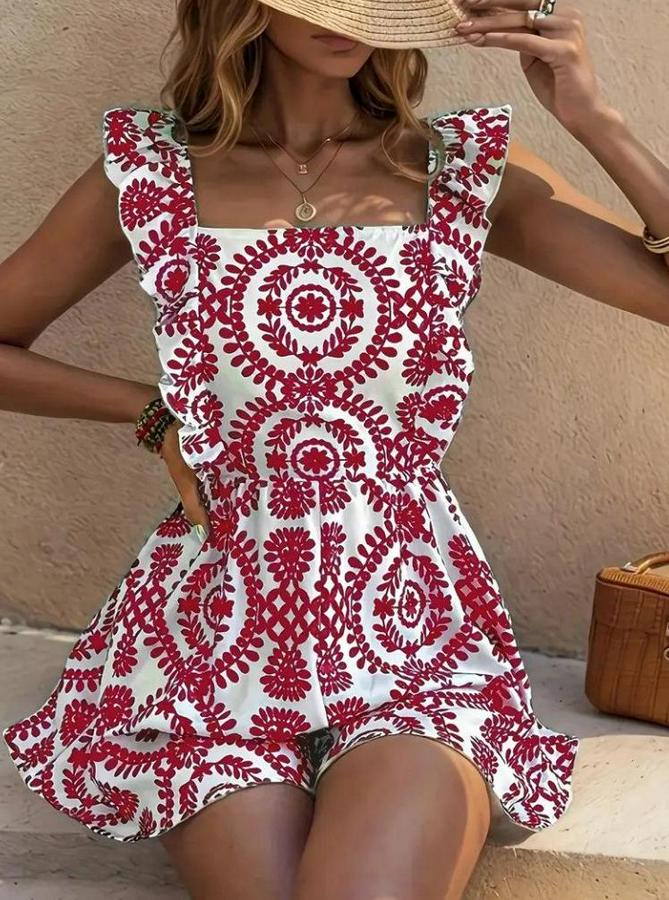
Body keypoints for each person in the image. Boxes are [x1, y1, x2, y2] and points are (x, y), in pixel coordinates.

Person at [2, 0, 668, 898]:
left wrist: (595, 120)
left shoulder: (458, 170)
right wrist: (153, 413)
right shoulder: (153, 174)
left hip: (409, 634)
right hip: (213, 636)